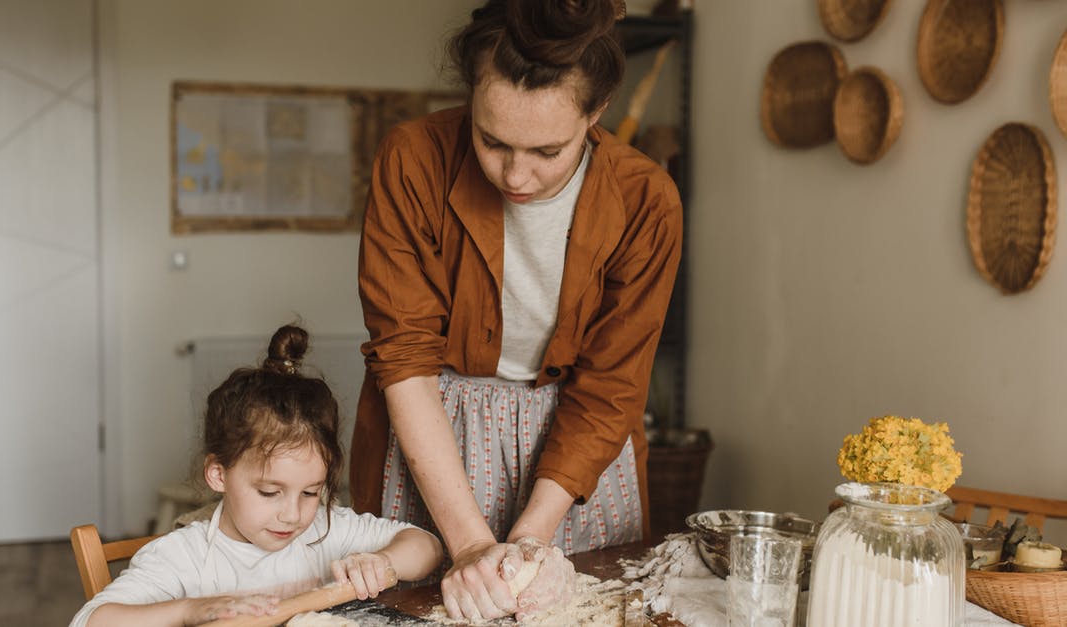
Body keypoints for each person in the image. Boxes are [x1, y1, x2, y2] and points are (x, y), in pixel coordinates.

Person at [351, 0, 682, 621]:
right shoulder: (413, 158)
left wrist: (532, 537)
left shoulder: (646, 201)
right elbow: (405, 359)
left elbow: (611, 385)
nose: (515, 175)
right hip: (437, 434)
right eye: (491, 140)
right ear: (470, 96)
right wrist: (471, 543)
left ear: (597, 112)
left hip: (574, 446)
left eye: (547, 151)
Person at [71, 325, 443, 627]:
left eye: (311, 492)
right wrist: (189, 610)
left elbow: (427, 546)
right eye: (269, 492)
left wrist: (385, 563)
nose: (293, 514)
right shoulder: (186, 558)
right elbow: (91, 620)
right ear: (218, 474)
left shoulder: (325, 533)